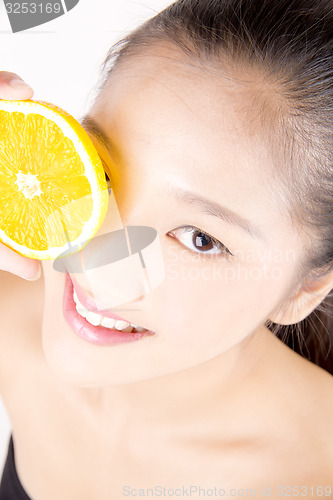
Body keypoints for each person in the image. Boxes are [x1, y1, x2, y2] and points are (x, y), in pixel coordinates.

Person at [0, 0, 333, 498]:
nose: (94, 261)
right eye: (102, 174)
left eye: (200, 239)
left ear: (305, 289)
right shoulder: (12, 299)